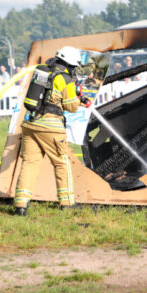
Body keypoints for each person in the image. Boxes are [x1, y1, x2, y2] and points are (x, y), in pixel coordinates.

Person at [13, 46, 90, 216]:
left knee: (29, 163)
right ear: (70, 64)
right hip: (51, 127)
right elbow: (70, 107)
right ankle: (67, 203)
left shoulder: (43, 72)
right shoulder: (65, 80)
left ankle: (20, 205)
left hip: (30, 124)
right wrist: (79, 100)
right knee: (61, 163)